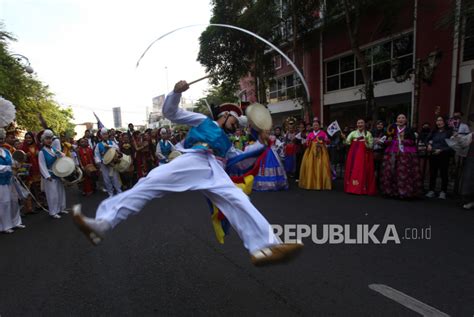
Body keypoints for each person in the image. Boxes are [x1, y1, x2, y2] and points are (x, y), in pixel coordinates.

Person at [73, 80, 303, 266]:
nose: (238, 125)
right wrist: (175, 92)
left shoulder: (229, 144)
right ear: (224, 115)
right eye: (235, 119)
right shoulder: (204, 121)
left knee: (239, 200)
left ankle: (265, 247)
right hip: (195, 159)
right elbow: (171, 112)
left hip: (215, 171)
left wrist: (264, 143)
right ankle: (102, 224)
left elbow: (240, 161)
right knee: (149, 183)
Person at [380, 114, 422, 198]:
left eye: (403, 118)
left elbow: (412, 141)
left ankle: (404, 192)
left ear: (406, 120)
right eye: (399, 118)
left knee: (404, 172)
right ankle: (390, 191)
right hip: (392, 152)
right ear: (396, 120)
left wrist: (403, 140)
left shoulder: (409, 130)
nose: (401, 119)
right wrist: (383, 141)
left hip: (405, 153)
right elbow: (386, 140)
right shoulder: (391, 129)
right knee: (390, 171)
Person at [0, 128, 26, 233]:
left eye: (1, 138)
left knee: (14, 201)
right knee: (4, 203)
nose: (0, 140)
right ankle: (5, 226)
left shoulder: (6, 151)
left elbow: (12, 162)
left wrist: (17, 164)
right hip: (1, 182)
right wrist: (8, 168)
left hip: (10, 179)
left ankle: (16, 222)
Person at [38, 129, 67, 219]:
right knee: (52, 194)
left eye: (50, 138)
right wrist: (47, 176)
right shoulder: (42, 152)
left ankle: (61, 209)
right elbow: (41, 165)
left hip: (58, 174)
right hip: (50, 176)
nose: (49, 140)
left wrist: (61, 154)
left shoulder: (54, 149)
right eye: (47, 138)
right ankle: (53, 212)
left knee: (60, 192)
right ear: (43, 140)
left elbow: (61, 157)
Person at [344, 119, 376, 195]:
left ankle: (362, 187)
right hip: (354, 155)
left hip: (364, 156)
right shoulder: (353, 133)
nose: (360, 124)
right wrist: (345, 139)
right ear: (356, 124)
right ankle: (352, 187)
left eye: (362, 123)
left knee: (362, 169)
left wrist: (365, 142)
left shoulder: (368, 134)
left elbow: (371, 146)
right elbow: (347, 142)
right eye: (358, 123)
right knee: (353, 168)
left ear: (364, 124)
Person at [299, 118, 332, 190]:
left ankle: (321, 183)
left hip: (321, 151)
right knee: (310, 165)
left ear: (319, 126)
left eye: (317, 125)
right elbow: (307, 143)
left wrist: (326, 140)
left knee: (322, 165)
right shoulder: (310, 134)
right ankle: (311, 182)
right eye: (314, 125)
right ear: (312, 127)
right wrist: (308, 142)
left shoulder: (323, 133)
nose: (315, 126)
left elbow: (327, 142)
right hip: (311, 151)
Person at [425, 116, 453, 199]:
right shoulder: (434, 131)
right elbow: (427, 140)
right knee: (433, 173)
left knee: (443, 173)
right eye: (437, 120)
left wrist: (441, 150)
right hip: (433, 154)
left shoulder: (449, 132)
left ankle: (443, 191)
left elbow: (452, 145)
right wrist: (428, 145)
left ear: (445, 122)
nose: (439, 122)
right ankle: (431, 190)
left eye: (440, 120)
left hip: (444, 154)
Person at [94, 128, 122, 197]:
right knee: (107, 179)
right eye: (103, 135)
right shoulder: (98, 145)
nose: (105, 136)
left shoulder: (112, 142)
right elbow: (96, 155)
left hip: (113, 163)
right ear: (101, 136)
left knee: (115, 178)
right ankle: (110, 193)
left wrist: (110, 147)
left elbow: (117, 149)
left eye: (106, 134)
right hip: (104, 164)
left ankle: (118, 191)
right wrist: (99, 162)